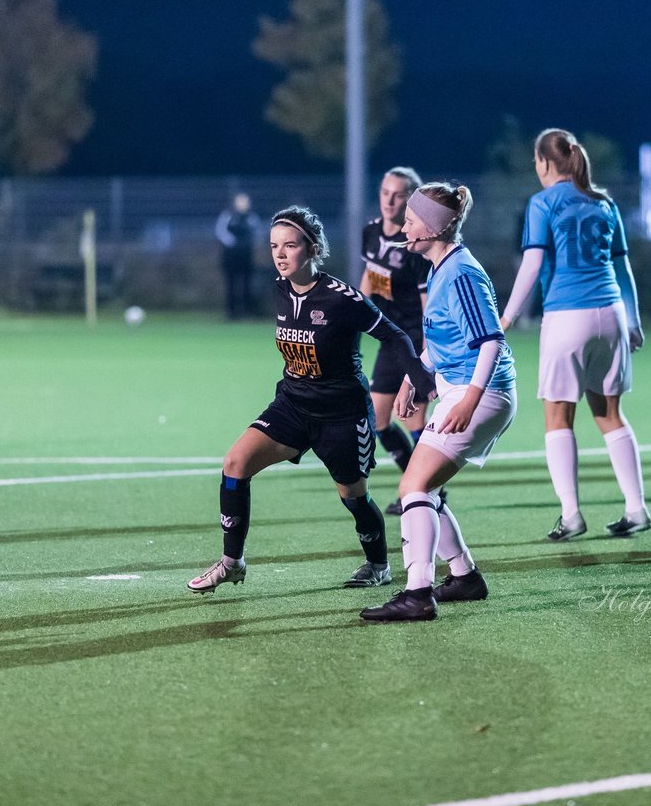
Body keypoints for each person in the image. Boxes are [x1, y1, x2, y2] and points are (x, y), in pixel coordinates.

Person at [188, 206, 436, 595]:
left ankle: (378, 564)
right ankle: (232, 563)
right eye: (274, 246)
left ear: (313, 248)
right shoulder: (279, 289)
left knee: (353, 496)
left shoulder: (342, 298)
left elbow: (395, 336)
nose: (280, 254)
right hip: (292, 404)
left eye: (290, 245)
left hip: (342, 414)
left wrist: (419, 378)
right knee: (235, 463)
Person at [360, 183, 517, 622]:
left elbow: (490, 341)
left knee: (412, 487)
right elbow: (447, 339)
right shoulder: (439, 267)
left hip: (482, 394)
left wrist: (470, 399)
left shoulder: (461, 271)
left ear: (430, 228)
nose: (404, 226)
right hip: (461, 388)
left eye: (411, 220)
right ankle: (464, 576)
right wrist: (418, 375)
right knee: (423, 486)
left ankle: (418, 593)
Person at [498, 128, 650, 543]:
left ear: (545, 162)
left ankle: (571, 516)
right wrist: (633, 321)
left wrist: (506, 317)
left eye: (536, 160)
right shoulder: (604, 202)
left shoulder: (542, 203)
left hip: (568, 315)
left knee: (558, 416)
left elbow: (531, 267)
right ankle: (636, 508)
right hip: (612, 315)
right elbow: (623, 269)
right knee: (609, 414)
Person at [358, 167, 433, 514]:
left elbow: (427, 308)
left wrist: (425, 353)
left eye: (398, 194)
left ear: (411, 199)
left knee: (415, 422)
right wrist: (353, 314)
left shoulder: (415, 246)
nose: (389, 200)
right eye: (385, 192)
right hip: (390, 340)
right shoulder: (371, 232)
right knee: (379, 421)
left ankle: (427, 491)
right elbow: (370, 279)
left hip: (414, 341)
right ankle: (417, 486)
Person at [214, 192, 261, 319]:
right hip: (230, 257)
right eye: (240, 201)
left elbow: (257, 234)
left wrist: (247, 244)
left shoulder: (252, 217)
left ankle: (247, 311)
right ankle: (231, 312)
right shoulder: (227, 215)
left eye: (245, 201)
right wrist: (232, 242)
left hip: (246, 256)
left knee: (247, 284)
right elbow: (220, 231)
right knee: (230, 284)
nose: (242, 204)